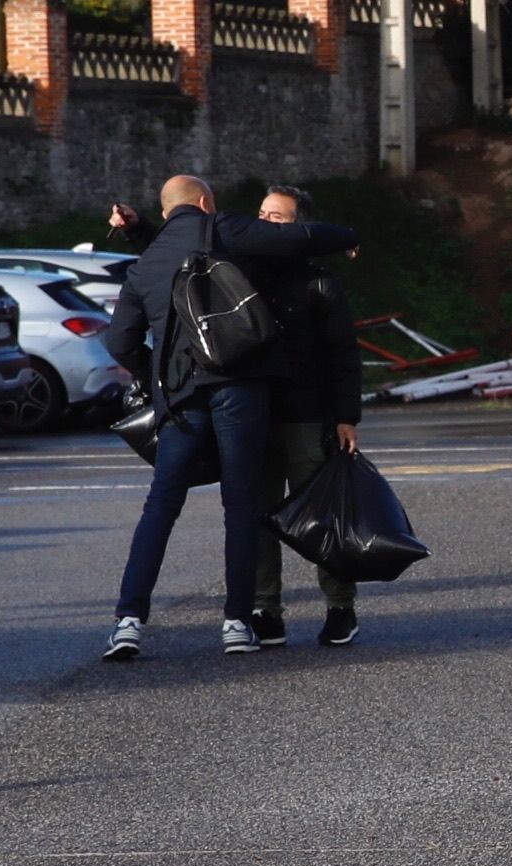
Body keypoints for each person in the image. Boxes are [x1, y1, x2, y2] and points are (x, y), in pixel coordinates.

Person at [101, 175, 359, 660]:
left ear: (164, 210)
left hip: (181, 400)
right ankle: (238, 622)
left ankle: (128, 620)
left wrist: (159, 381)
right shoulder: (224, 230)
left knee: (160, 507)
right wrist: (349, 236)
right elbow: (299, 238)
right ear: (205, 203)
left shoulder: (146, 263)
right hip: (240, 391)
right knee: (241, 506)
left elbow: (119, 341)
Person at [250, 185, 365, 648]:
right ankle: (264, 610)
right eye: (261, 214)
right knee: (257, 516)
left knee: (320, 517)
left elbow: (343, 354)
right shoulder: (238, 271)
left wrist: (346, 417)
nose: (266, 224)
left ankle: (340, 606)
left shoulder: (320, 283)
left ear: (301, 228)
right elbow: (186, 238)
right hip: (252, 415)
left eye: (278, 218)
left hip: (307, 415)